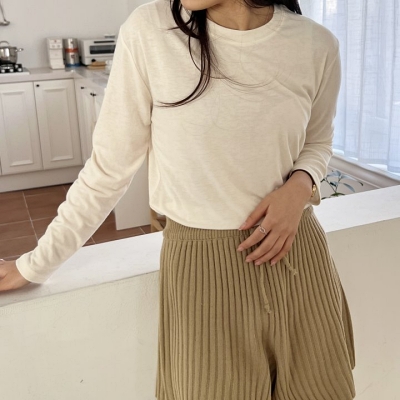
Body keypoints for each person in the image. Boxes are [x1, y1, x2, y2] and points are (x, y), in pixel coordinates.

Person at [0, 0, 356, 398]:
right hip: (203, 270)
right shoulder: (150, 31)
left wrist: (300, 187)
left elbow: (318, 141)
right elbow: (108, 170)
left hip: (299, 258)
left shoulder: (315, 43)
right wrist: (34, 264)